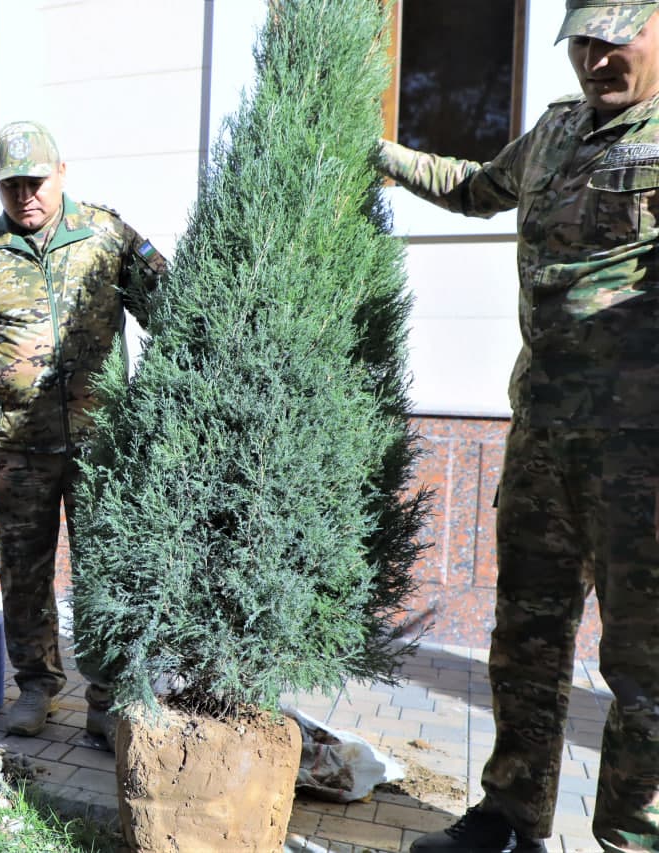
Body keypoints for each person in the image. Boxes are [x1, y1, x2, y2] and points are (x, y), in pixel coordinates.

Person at [379, 1, 659, 850]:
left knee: (645, 666)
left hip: (640, 455)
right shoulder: (555, 131)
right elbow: (476, 188)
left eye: (616, 42)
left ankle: (633, 837)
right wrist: (380, 156)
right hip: (542, 435)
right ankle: (508, 819)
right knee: (525, 640)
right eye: (583, 42)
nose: (596, 60)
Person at [0, 120, 167, 746]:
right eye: (10, 185)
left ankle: (107, 698)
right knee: (24, 573)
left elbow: (174, 313)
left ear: (62, 173)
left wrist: (161, 412)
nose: (24, 195)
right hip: (17, 448)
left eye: (35, 181)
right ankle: (36, 685)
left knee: (105, 571)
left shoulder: (107, 237)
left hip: (102, 445)